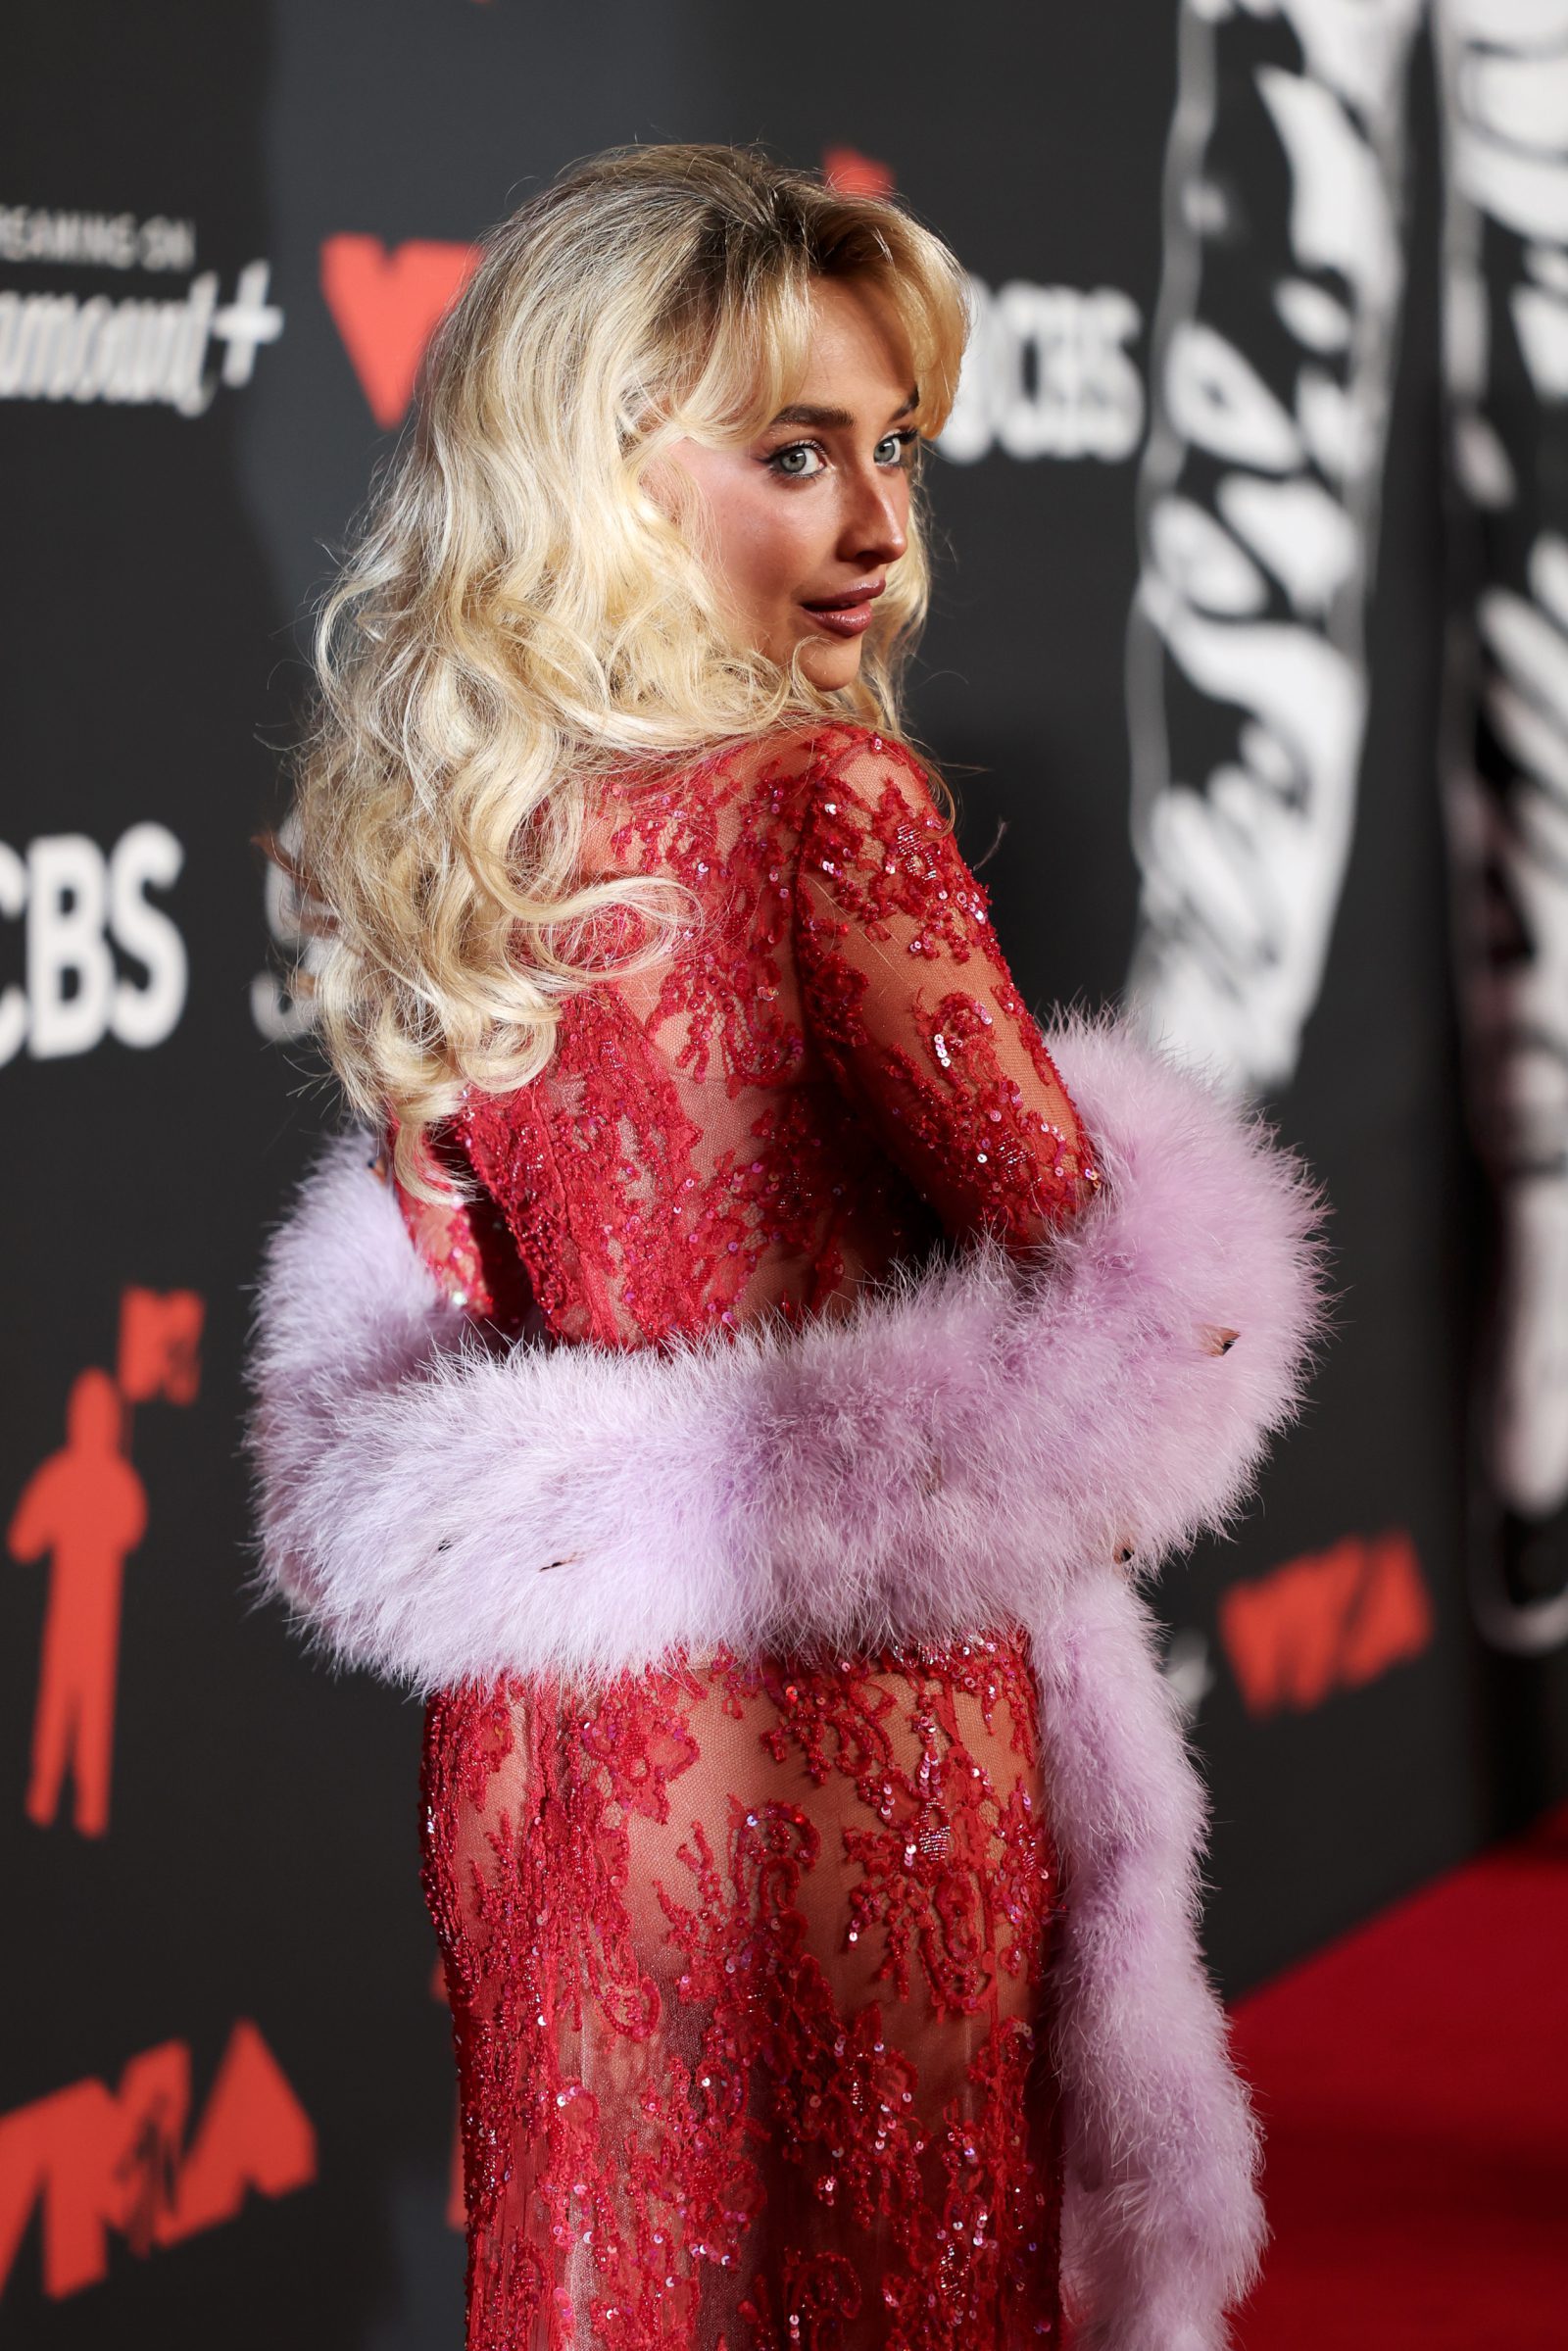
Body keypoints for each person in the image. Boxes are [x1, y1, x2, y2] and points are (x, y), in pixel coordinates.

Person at [250, 145, 1324, 2351]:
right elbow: (1101, 1260)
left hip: (548, 1751)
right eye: (796, 453)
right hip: (849, 1739)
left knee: (598, 2280)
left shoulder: (458, 837)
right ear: (606, 471)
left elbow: (465, 1273)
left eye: (894, 449)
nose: (877, 527)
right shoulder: (827, 805)